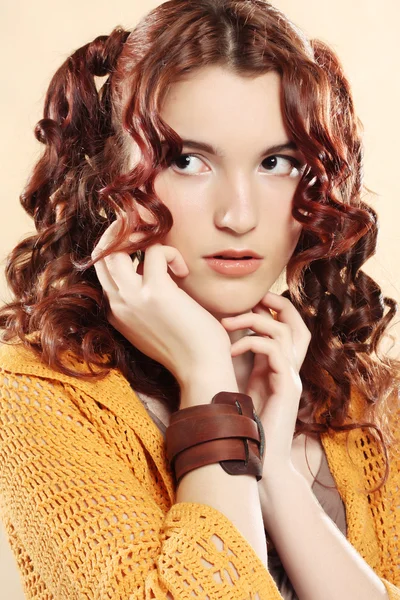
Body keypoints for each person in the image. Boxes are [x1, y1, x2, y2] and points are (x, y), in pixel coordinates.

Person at [0, 0, 399, 598]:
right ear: (110, 177)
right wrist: (208, 378)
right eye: (188, 161)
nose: (238, 216)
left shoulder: (373, 405)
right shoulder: (37, 398)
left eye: (277, 162)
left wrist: (281, 483)